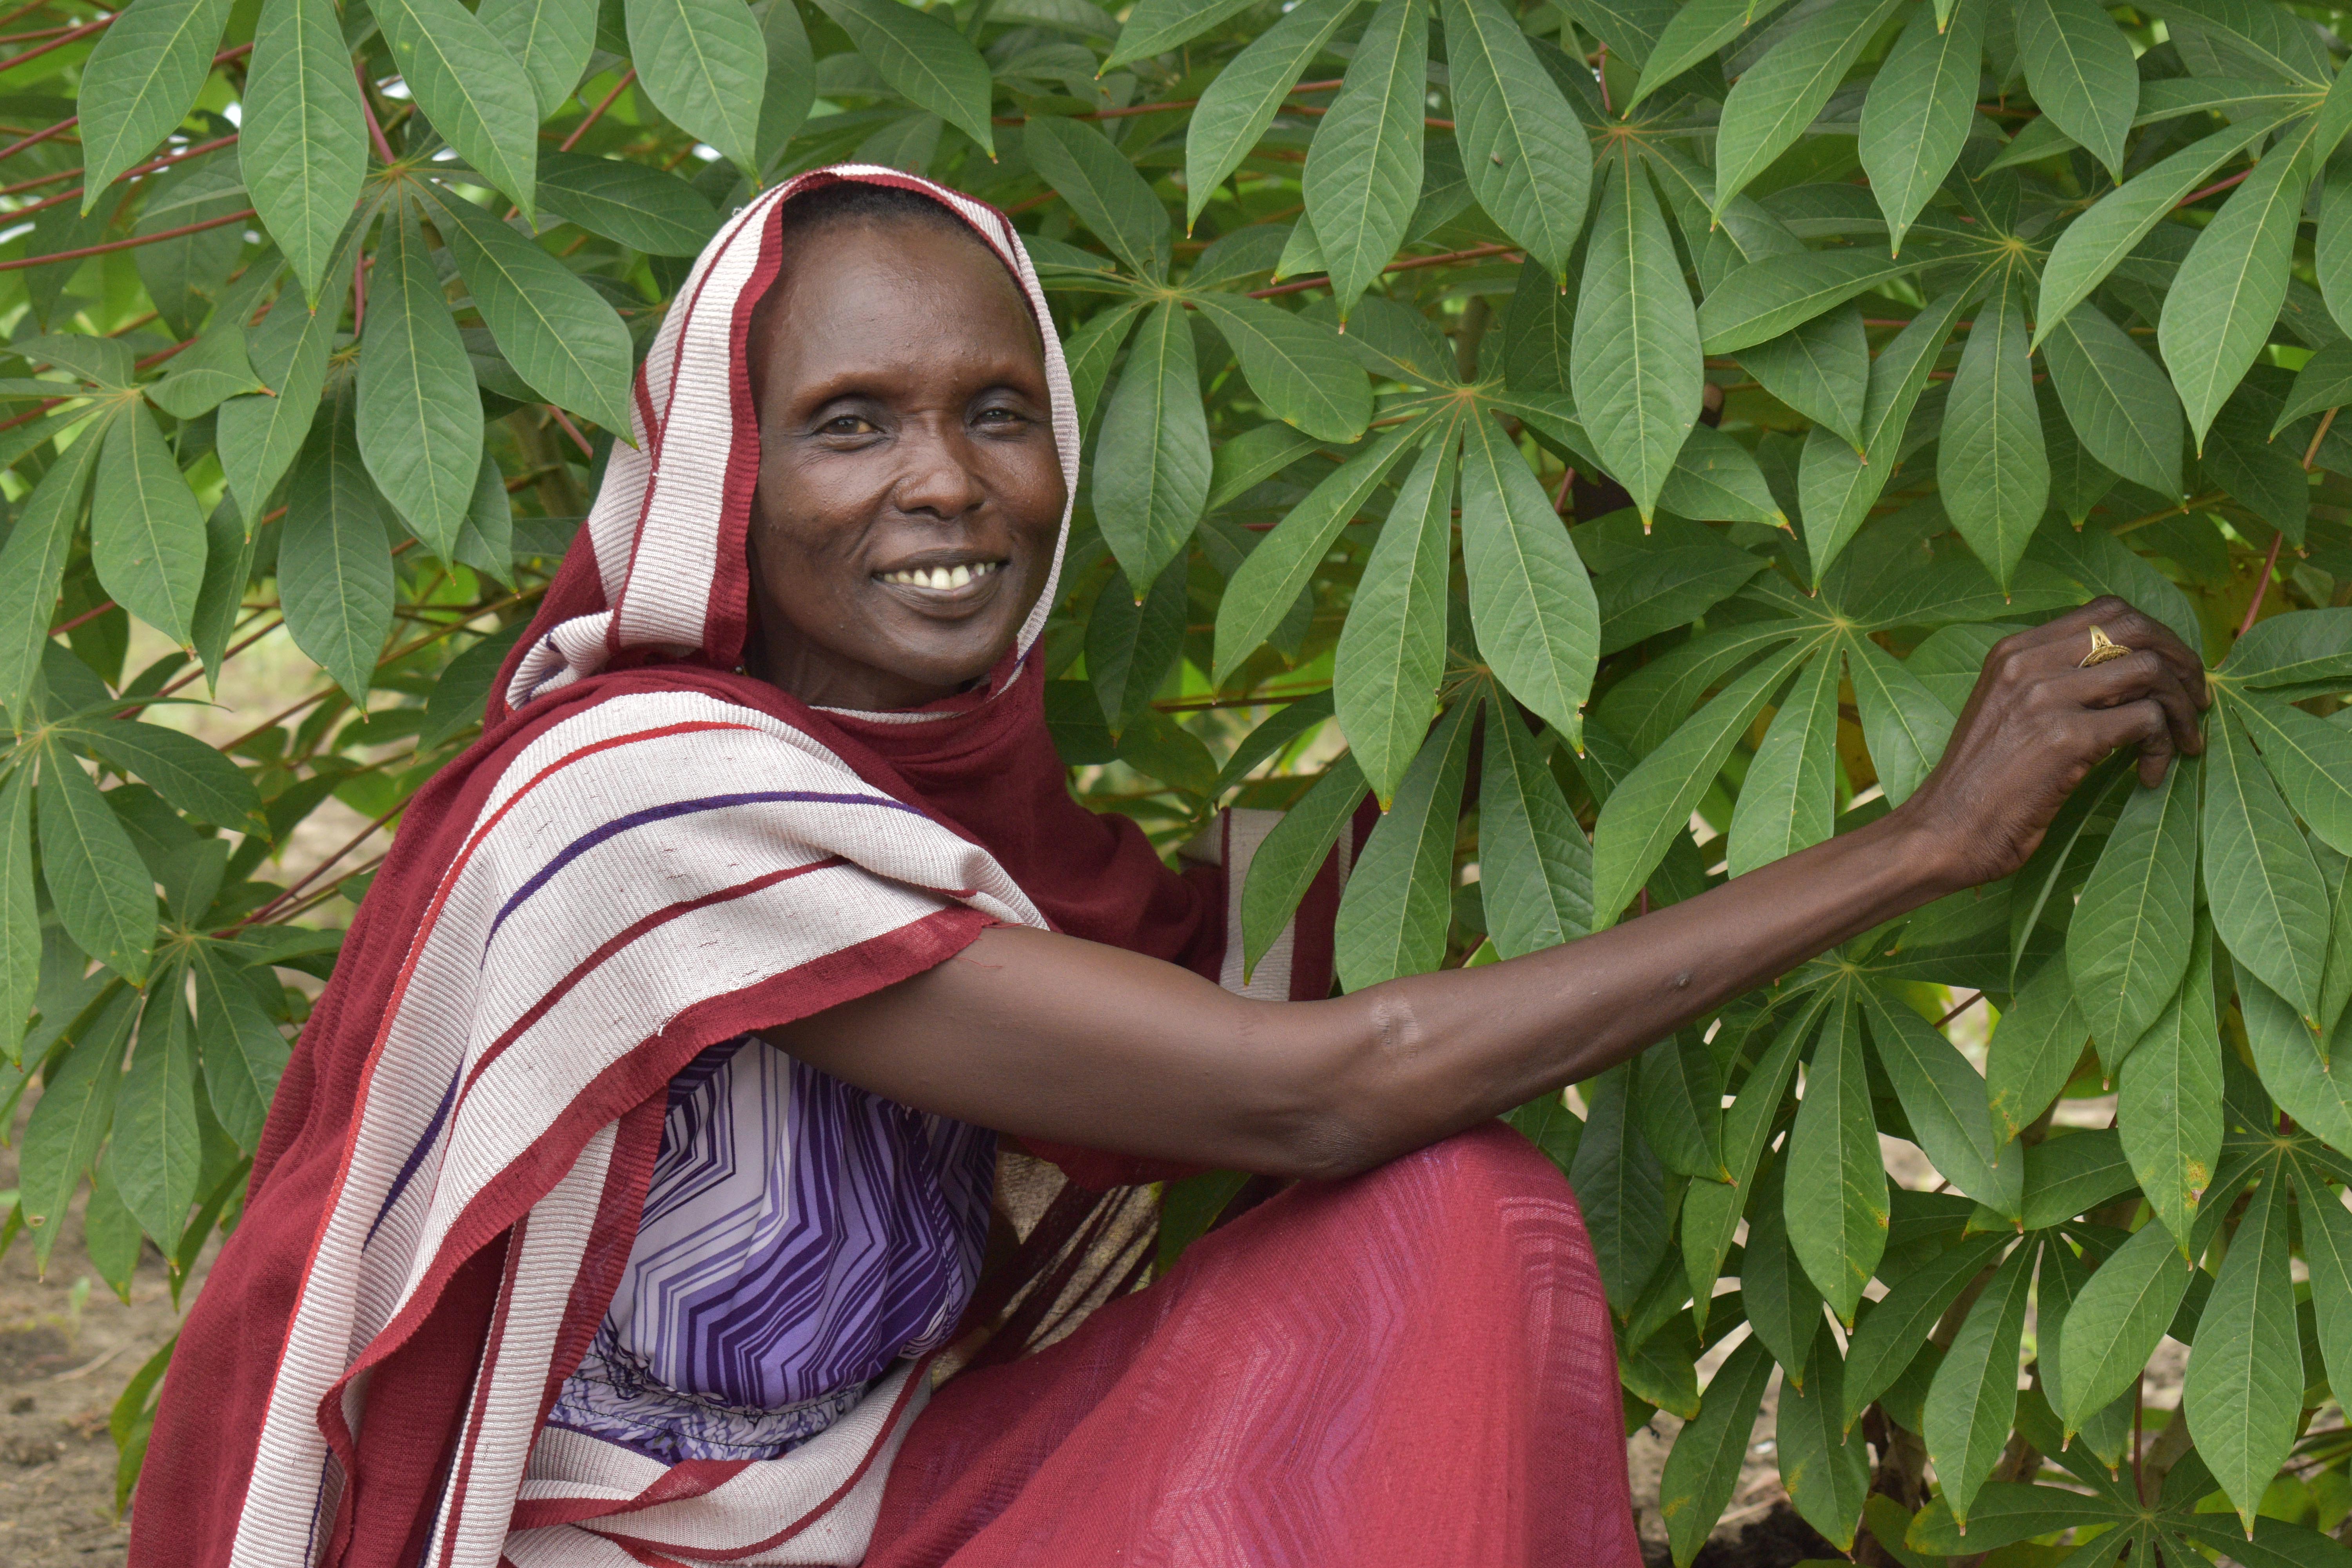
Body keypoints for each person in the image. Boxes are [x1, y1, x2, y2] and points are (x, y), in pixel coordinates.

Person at [132, 166, 2209, 1568]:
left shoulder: (954, 822)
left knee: (1454, 1231)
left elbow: (1251, 936)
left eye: (998, 410)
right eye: (850, 423)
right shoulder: (641, 802)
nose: (946, 481)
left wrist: (1583, 537)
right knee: (1405, 1163)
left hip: (884, 1506)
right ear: (726, 485)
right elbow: (1306, 1077)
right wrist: (1925, 842)